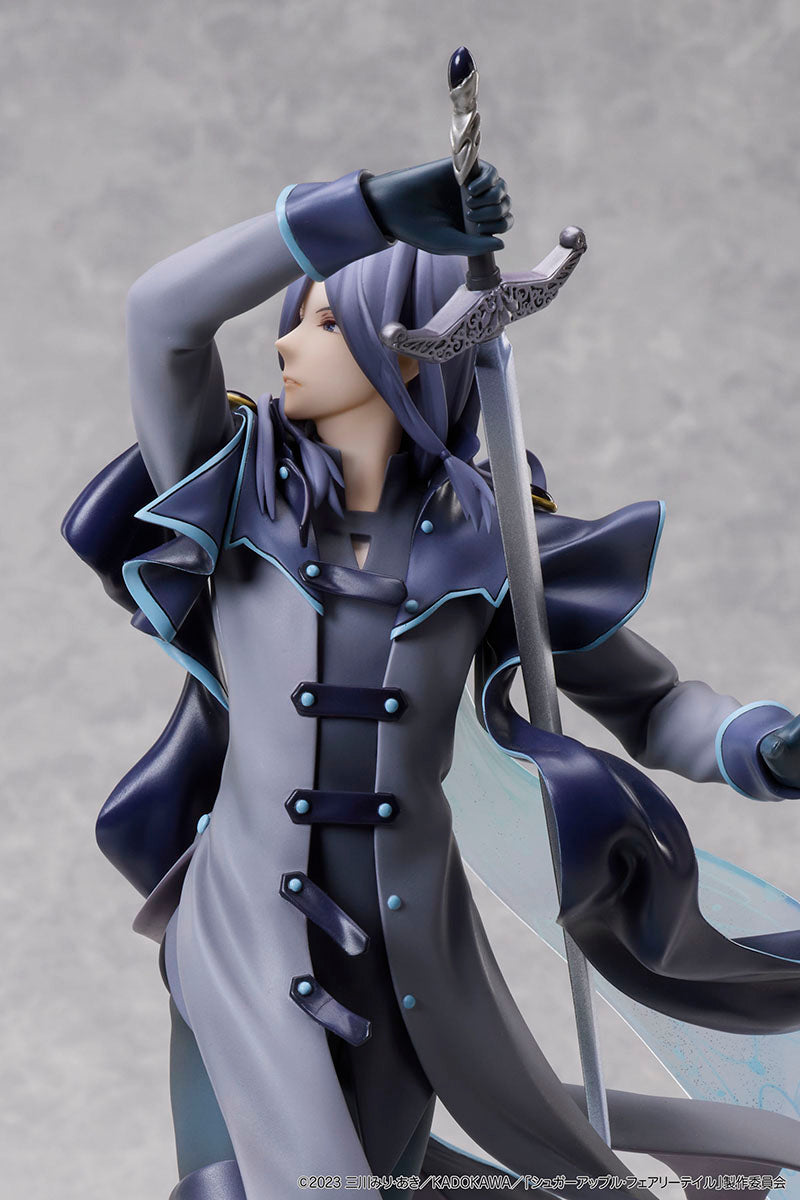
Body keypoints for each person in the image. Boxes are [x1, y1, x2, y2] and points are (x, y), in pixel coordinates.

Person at [63, 159, 800, 1200]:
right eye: (296, 318)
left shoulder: (491, 541)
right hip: (243, 925)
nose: (285, 342)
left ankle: (715, 1142)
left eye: (324, 322)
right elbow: (161, 316)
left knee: (406, 1175)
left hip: (408, 950)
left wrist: (759, 746)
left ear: (403, 349)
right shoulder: (239, 487)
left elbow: (653, 703)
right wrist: (359, 211)